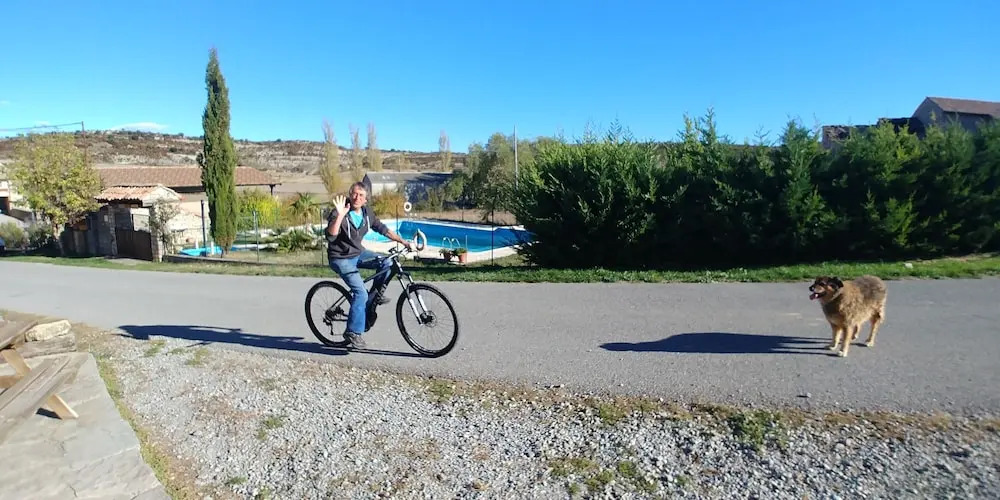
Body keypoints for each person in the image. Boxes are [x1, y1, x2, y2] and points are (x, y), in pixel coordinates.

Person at [326, 181, 412, 348]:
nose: (357, 198)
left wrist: (402, 241)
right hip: (340, 258)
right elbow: (331, 236)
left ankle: (374, 296)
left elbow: (382, 229)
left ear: (366, 199)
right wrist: (340, 215)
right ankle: (353, 332)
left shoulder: (366, 213)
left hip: (358, 253)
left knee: (387, 262)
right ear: (350, 195)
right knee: (360, 293)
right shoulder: (340, 211)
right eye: (354, 194)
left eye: (361, 195)